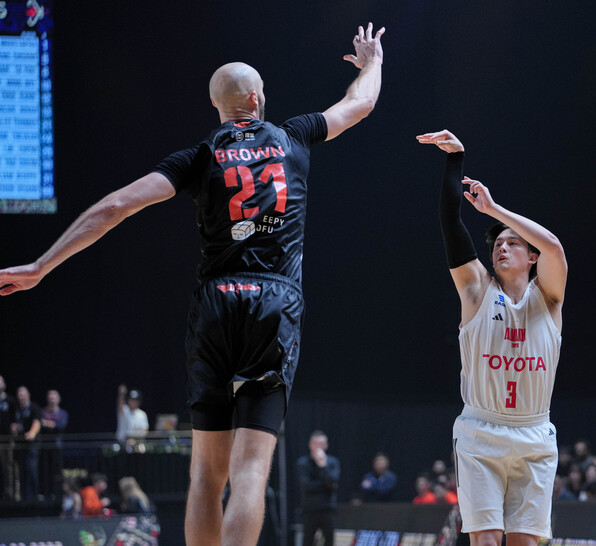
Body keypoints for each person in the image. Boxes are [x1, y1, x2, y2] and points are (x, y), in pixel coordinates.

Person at [0, 21, 385, 546]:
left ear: (216, 106)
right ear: (257, 99)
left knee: (207, 474)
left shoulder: (200, 156)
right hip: (273, 301)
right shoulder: (293, 135)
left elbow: (116, 206)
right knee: (251, 471)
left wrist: (42, 265)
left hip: (217, 302)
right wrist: (372, 62)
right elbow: (360, 104)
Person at [417, 129, 567, 545]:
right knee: (485, 540)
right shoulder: (477, 290)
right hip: (481, 432)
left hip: (535, 434)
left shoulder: (549, 297)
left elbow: (554, 246)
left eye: (512, 243)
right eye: (497, 243)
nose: (501, 247)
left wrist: (495, 209)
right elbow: (451, 224)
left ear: (531, 256)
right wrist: (455, 159)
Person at [296, 430, 341, 546]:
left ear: (326, 446)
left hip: (328, 508)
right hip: (310, 509)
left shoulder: (333, 462)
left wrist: (322, 466)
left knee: (329, 541)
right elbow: (306, 486)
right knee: (307, 541)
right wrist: (326, 485)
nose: (318, 447)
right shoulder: (303, 463)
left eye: (321, 444)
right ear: (310, 445)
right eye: (315, 443)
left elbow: (333, 484)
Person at [11, 385, 41, 501]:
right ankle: (24, 497)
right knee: (21, 471)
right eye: (19, 395)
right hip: (20, 445)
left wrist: (32, 433)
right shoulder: (17, 409)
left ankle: (35, 495)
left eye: (23, 394)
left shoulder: (34, 407)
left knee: (31, 469)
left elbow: (37, 422)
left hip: (31, 444)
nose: (21, 397)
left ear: (28, 395)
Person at [40, 389, 69, 499]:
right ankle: (45, 493)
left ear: (58, 399)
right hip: (44, 447)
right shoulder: (42, 412)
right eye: (50, 398)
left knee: (57, 472)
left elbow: (60, 426)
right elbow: (40, 425)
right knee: (45, 471)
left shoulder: (63, 413)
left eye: (54, 398)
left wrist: (46, 423)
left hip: (57, 446)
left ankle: (57, 494)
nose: (52, 400)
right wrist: (52, 424)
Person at [0, 375, 15, 500]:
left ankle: (9, 491)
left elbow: (15, 420)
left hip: (7, 439)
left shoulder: (10, 400)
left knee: (8, 465)